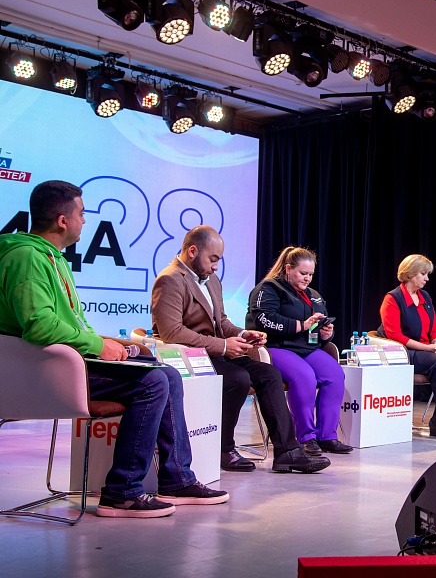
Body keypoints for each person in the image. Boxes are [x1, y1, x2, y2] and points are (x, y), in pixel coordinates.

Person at [0, 181, 229, 518]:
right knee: (153, 383)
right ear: (63, 220)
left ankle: (177, 479)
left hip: (66, 364)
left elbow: (66, 324)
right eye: (81, 214)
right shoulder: (27, 258)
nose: (84, 221)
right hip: (44, 373)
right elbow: (40, 326)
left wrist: (110, 344)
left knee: (165, 373)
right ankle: (122, 491)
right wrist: (97, 346)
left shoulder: (51, 258)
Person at [151, 227, 330, 473]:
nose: (216, 267)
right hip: (189, 357)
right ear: (192, 251)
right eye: (213, 259)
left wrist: (243, 334)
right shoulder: (169, 279)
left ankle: (288, 452)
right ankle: (224, 449)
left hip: (214, 353)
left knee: (270, 374)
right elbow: (172, 332)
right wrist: (224, 345)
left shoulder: (211, 281)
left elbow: (221, 322)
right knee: (238, 378)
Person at [245, 246, 352, 456]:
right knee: (304, 377)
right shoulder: (268, 288)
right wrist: (302, 325)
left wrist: (326, 334)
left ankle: (327, 436)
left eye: (311, 274)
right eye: (303, 273)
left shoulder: (314, 296)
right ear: (288, 268)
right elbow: (263, 319)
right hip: (276, 346)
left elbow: (317, 328)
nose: (307, 279)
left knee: (335, 375)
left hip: (307, 348)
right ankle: (305, 438)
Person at [378, 254, 436, 442]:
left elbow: (434, 329)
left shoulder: (425, 297)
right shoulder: (393, 299)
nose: (427, 278)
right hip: (403, 351)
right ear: (410, 274)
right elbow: (395, 336)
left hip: (425, 350)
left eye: (427, 274)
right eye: (423, 274)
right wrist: (428, 349)